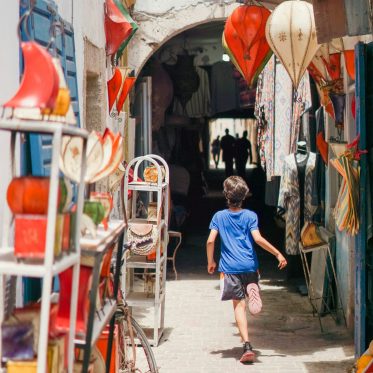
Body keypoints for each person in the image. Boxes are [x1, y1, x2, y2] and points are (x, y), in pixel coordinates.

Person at [206, 176, 287, 364]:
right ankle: (253, 287)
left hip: (230, 268)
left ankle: (247, 345)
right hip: (250, 265)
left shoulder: (219, 217)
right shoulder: (250, 216)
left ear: (226, 196)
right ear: (245, 196)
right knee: (250, 283)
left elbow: (210, 240)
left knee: (239, 306)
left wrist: (211, 261)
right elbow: (258, 239)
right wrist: (278, 254)